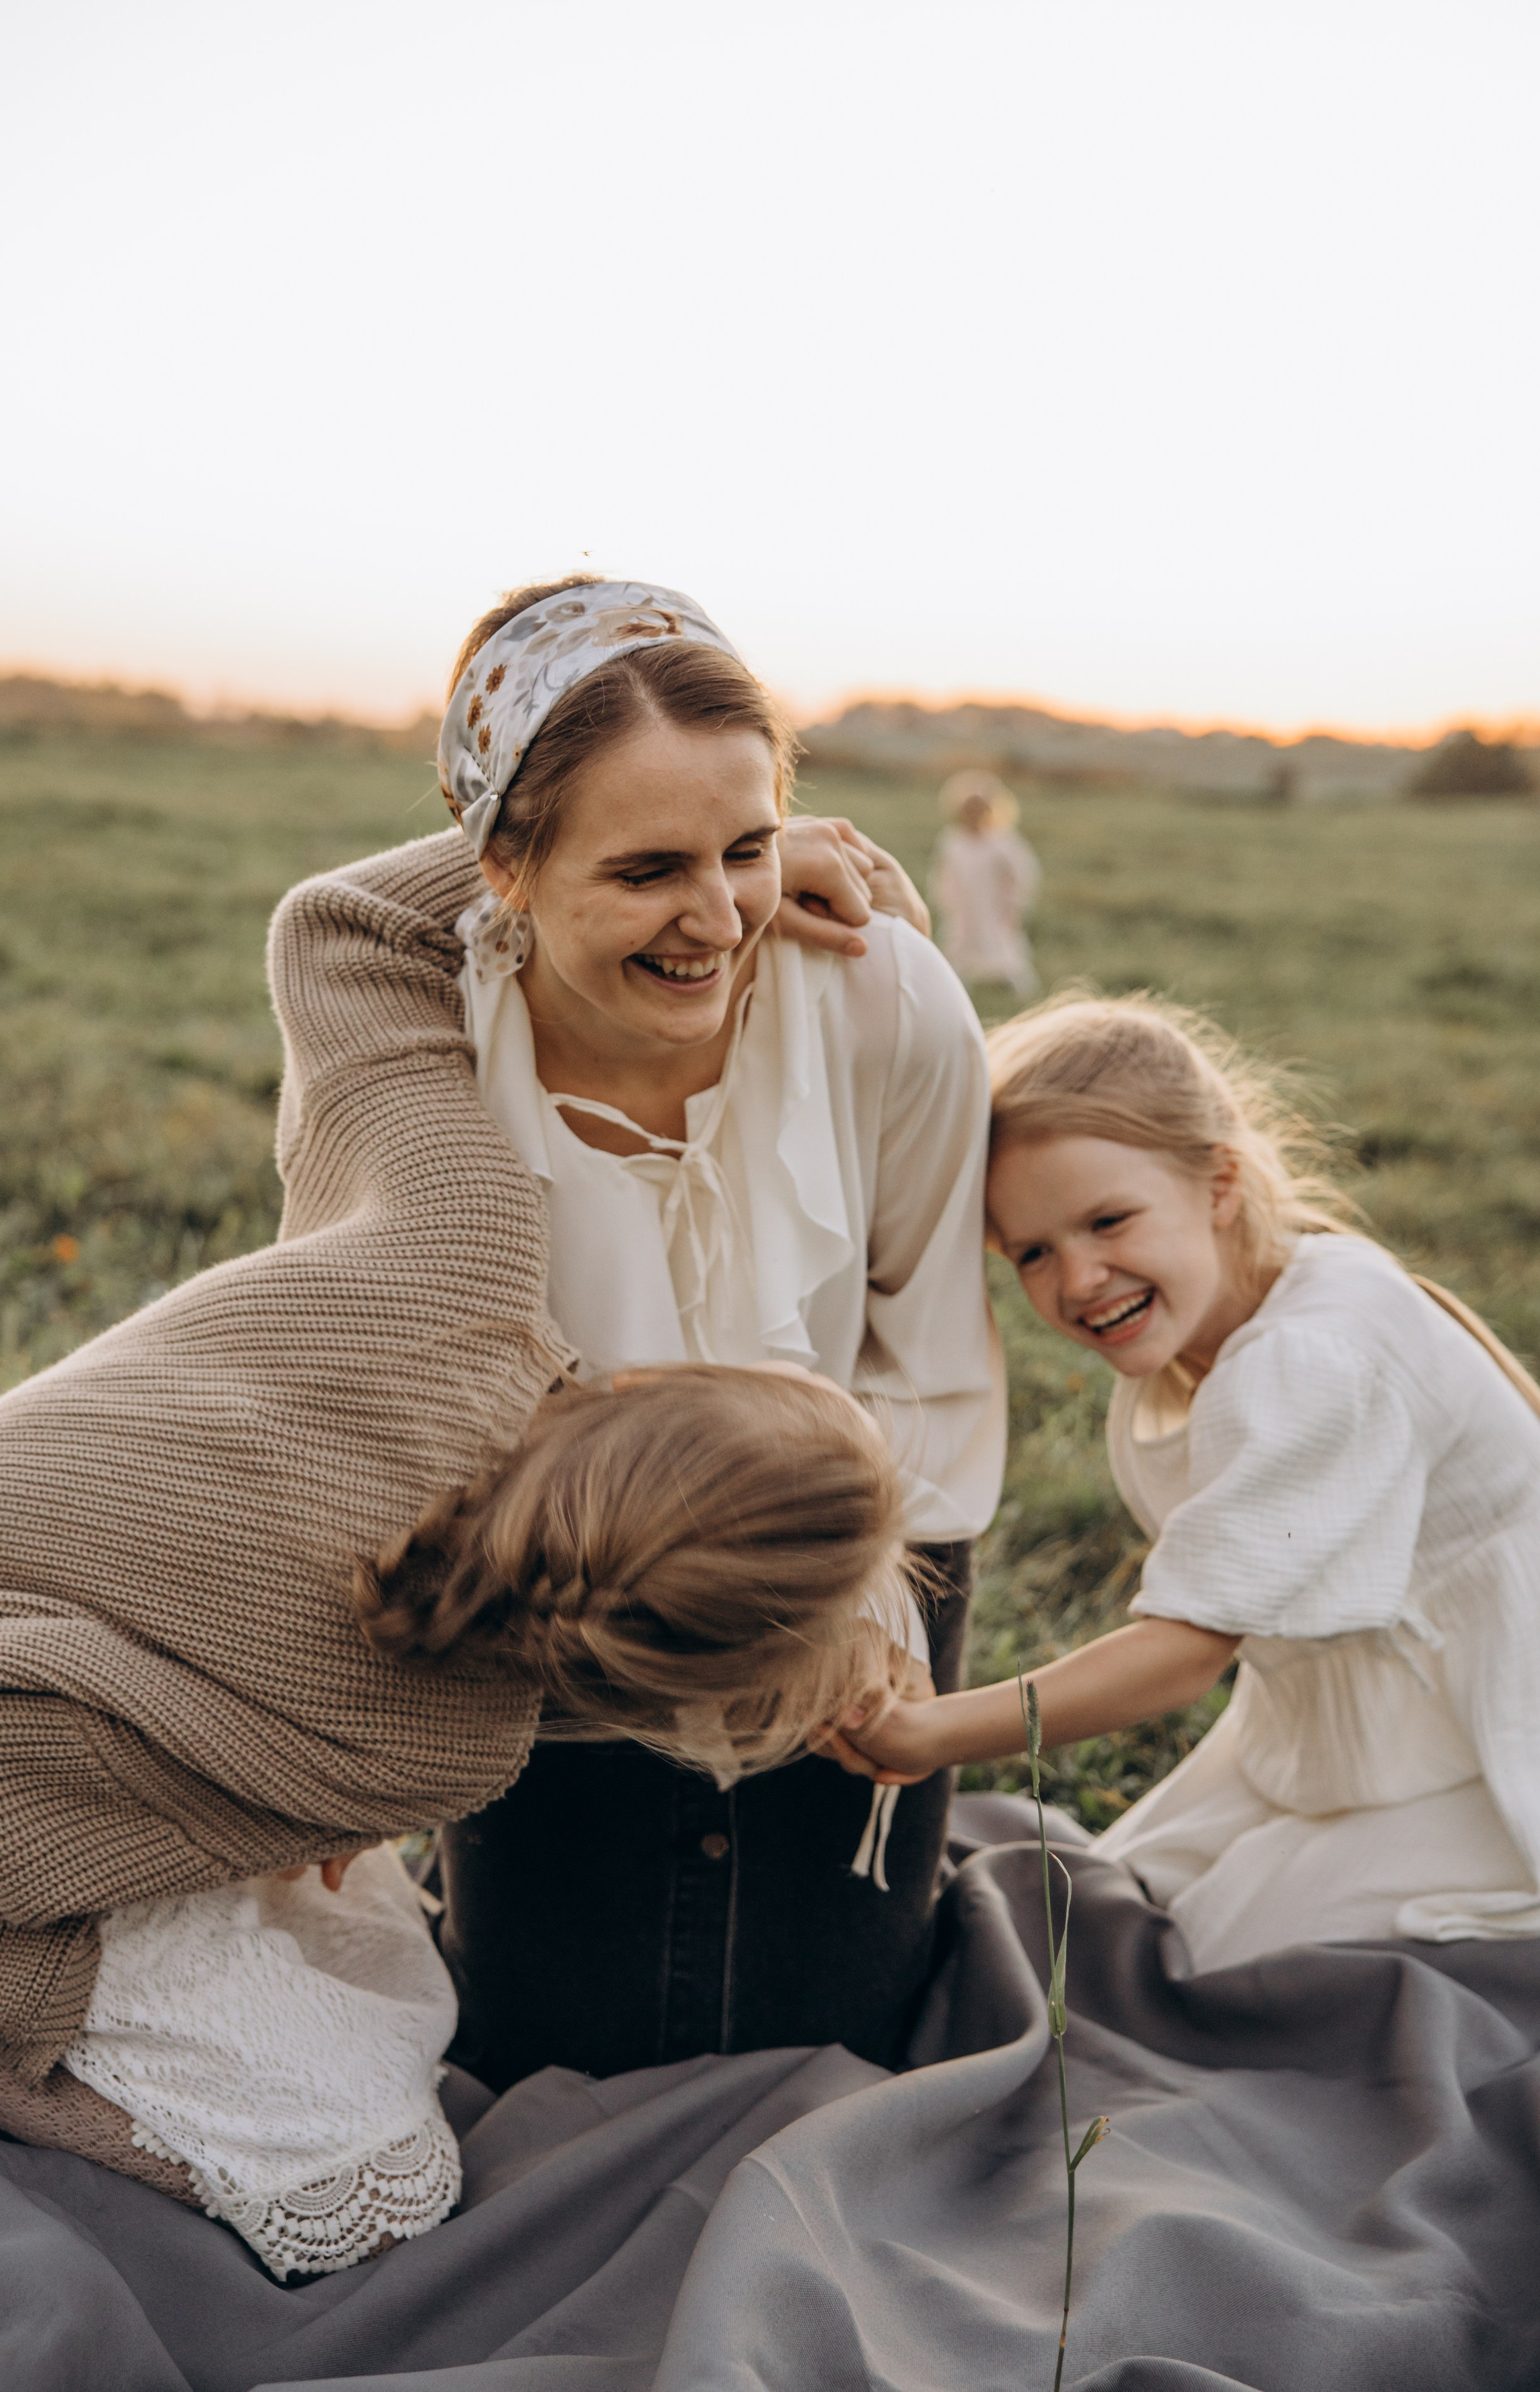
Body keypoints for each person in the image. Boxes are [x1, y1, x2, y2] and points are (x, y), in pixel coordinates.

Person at [340, 573, 1003, 2091]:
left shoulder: (881, 1000)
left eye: (750, 846)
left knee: (824, 2044)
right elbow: (366, 1399)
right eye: (647, 867)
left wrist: (855, 1609)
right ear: (499, 865)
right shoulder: (420, 1050)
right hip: (552, 1594)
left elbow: (937, 1356)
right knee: (550, 2051)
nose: (714, 920)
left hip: (851, 1569)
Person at [61, 1366, 912, 2276]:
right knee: (392, 2192)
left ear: (636, 1386)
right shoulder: (442, 1740)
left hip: (128, 1762)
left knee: (361, 2001)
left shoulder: (420, 1400)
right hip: (51, 1843)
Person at [840, 993, 1540, 1973]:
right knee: (1108, 1904)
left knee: (1206, 1970)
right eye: (1032, 1252)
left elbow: (1185, 1653)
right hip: (1343, 1732)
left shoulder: (1310, 1357)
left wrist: (936, 1730)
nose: (1077, 1281)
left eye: (1108, 1220)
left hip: (1509, 1755)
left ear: (1220, 1184)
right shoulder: (1220, 1319)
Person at [929, 769, 1041, 995]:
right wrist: (945, 900)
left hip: (994, 906)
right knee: (958, 945)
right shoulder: (953, 841)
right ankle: (954, 989)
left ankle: (1022, 989)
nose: (973, 815)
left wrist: (1015, 903)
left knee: (1003, 945)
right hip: (963, 906)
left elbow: (1021, 873)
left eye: (978, 810)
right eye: (968, 810)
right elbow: (943, 874)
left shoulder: (1002, 842)